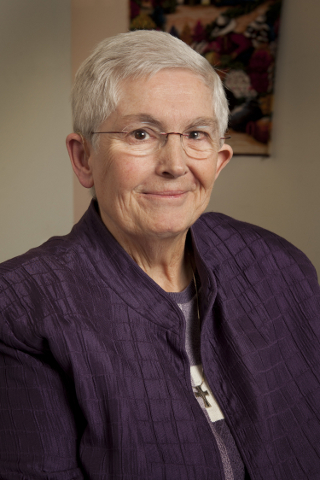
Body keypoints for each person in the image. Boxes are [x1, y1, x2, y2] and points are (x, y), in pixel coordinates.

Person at [0, 30, 319, 480]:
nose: (174, 163)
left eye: (195, 134)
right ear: (84, 158)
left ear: (219, 160)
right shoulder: (19, 308)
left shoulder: (280, 267)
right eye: (141, 133)